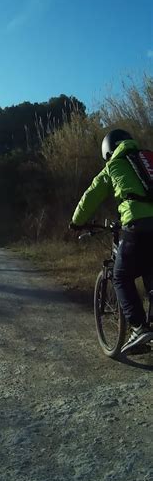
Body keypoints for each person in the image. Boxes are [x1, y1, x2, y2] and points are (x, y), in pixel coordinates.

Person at [69, 128, 153, 354]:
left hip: (137, 224)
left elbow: (91, 196)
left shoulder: (113, 166)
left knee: (120, 276)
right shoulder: (148, 159)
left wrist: (77, 222)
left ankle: (138, 327)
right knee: (149, 269)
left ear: (108, 151)